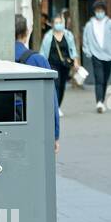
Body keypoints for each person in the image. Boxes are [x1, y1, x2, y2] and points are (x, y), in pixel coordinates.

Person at [15, 13, 60, 153]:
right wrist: (55, 134)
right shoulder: (38, 61)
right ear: (27, 32)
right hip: (33, 126)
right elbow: (50, 101)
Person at [40, 10, 79, 116]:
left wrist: (75, 61)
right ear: (52, 24)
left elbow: (72, 49)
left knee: (62, 86)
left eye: (60, 22)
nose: (59, 25)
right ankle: (55, 107)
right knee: (56, 85)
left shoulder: (68, 35)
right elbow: (43, 51)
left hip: (65, 65)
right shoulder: (48, 36)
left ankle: (58, 106)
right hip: (52, 64)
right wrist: (42, 64)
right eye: (56, 23)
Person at [82, 0, 111, 113]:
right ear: (94, 12)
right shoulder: (89, 25)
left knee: (105, 79)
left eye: (101, 11)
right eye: (97, 11)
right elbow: (85, 39)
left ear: (104, 11)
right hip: (95, 54)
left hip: (109, 55)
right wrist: (88, 52)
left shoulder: (110, 23)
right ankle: (99, 102)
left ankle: (102, 100)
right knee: (99, 78)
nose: (99, 13)